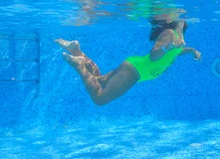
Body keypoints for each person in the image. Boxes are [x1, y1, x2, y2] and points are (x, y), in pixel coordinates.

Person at [56, 18, 201, 106]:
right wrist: (168, 46)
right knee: (99, 99)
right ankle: (79, 65)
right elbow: (154, 56)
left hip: (135, 68)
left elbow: (175, 52)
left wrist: (191, 51)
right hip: (136, 70)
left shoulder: (178, 41)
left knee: (99, 81)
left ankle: (76, 50)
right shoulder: (170, 34)